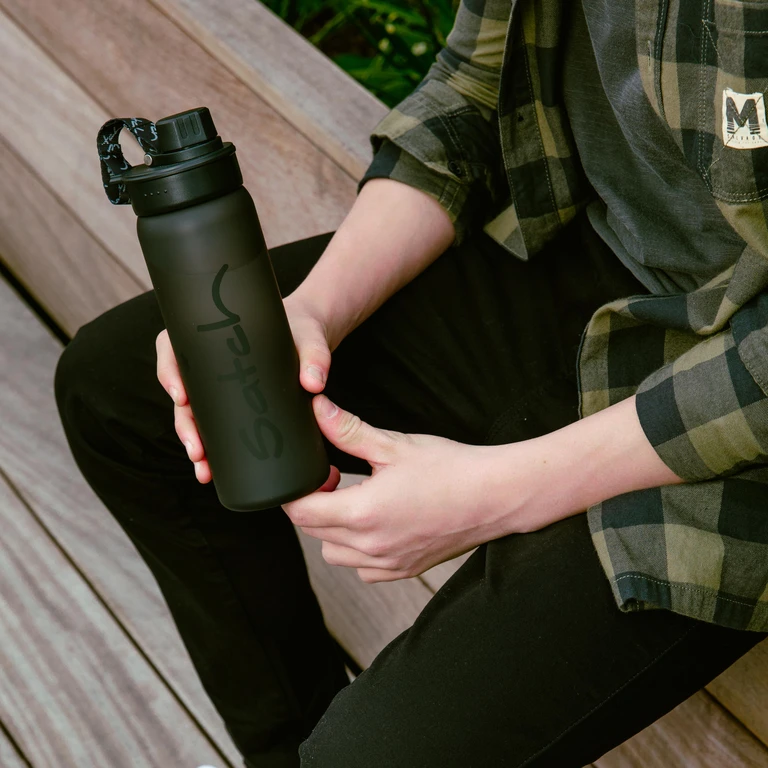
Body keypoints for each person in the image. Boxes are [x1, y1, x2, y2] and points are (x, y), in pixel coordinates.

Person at [54, 0, 768, 765]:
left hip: (739, 400)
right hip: (580, 251)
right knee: (114, 393)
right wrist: (312, 313)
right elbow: (471, 88)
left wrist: (498, 492)